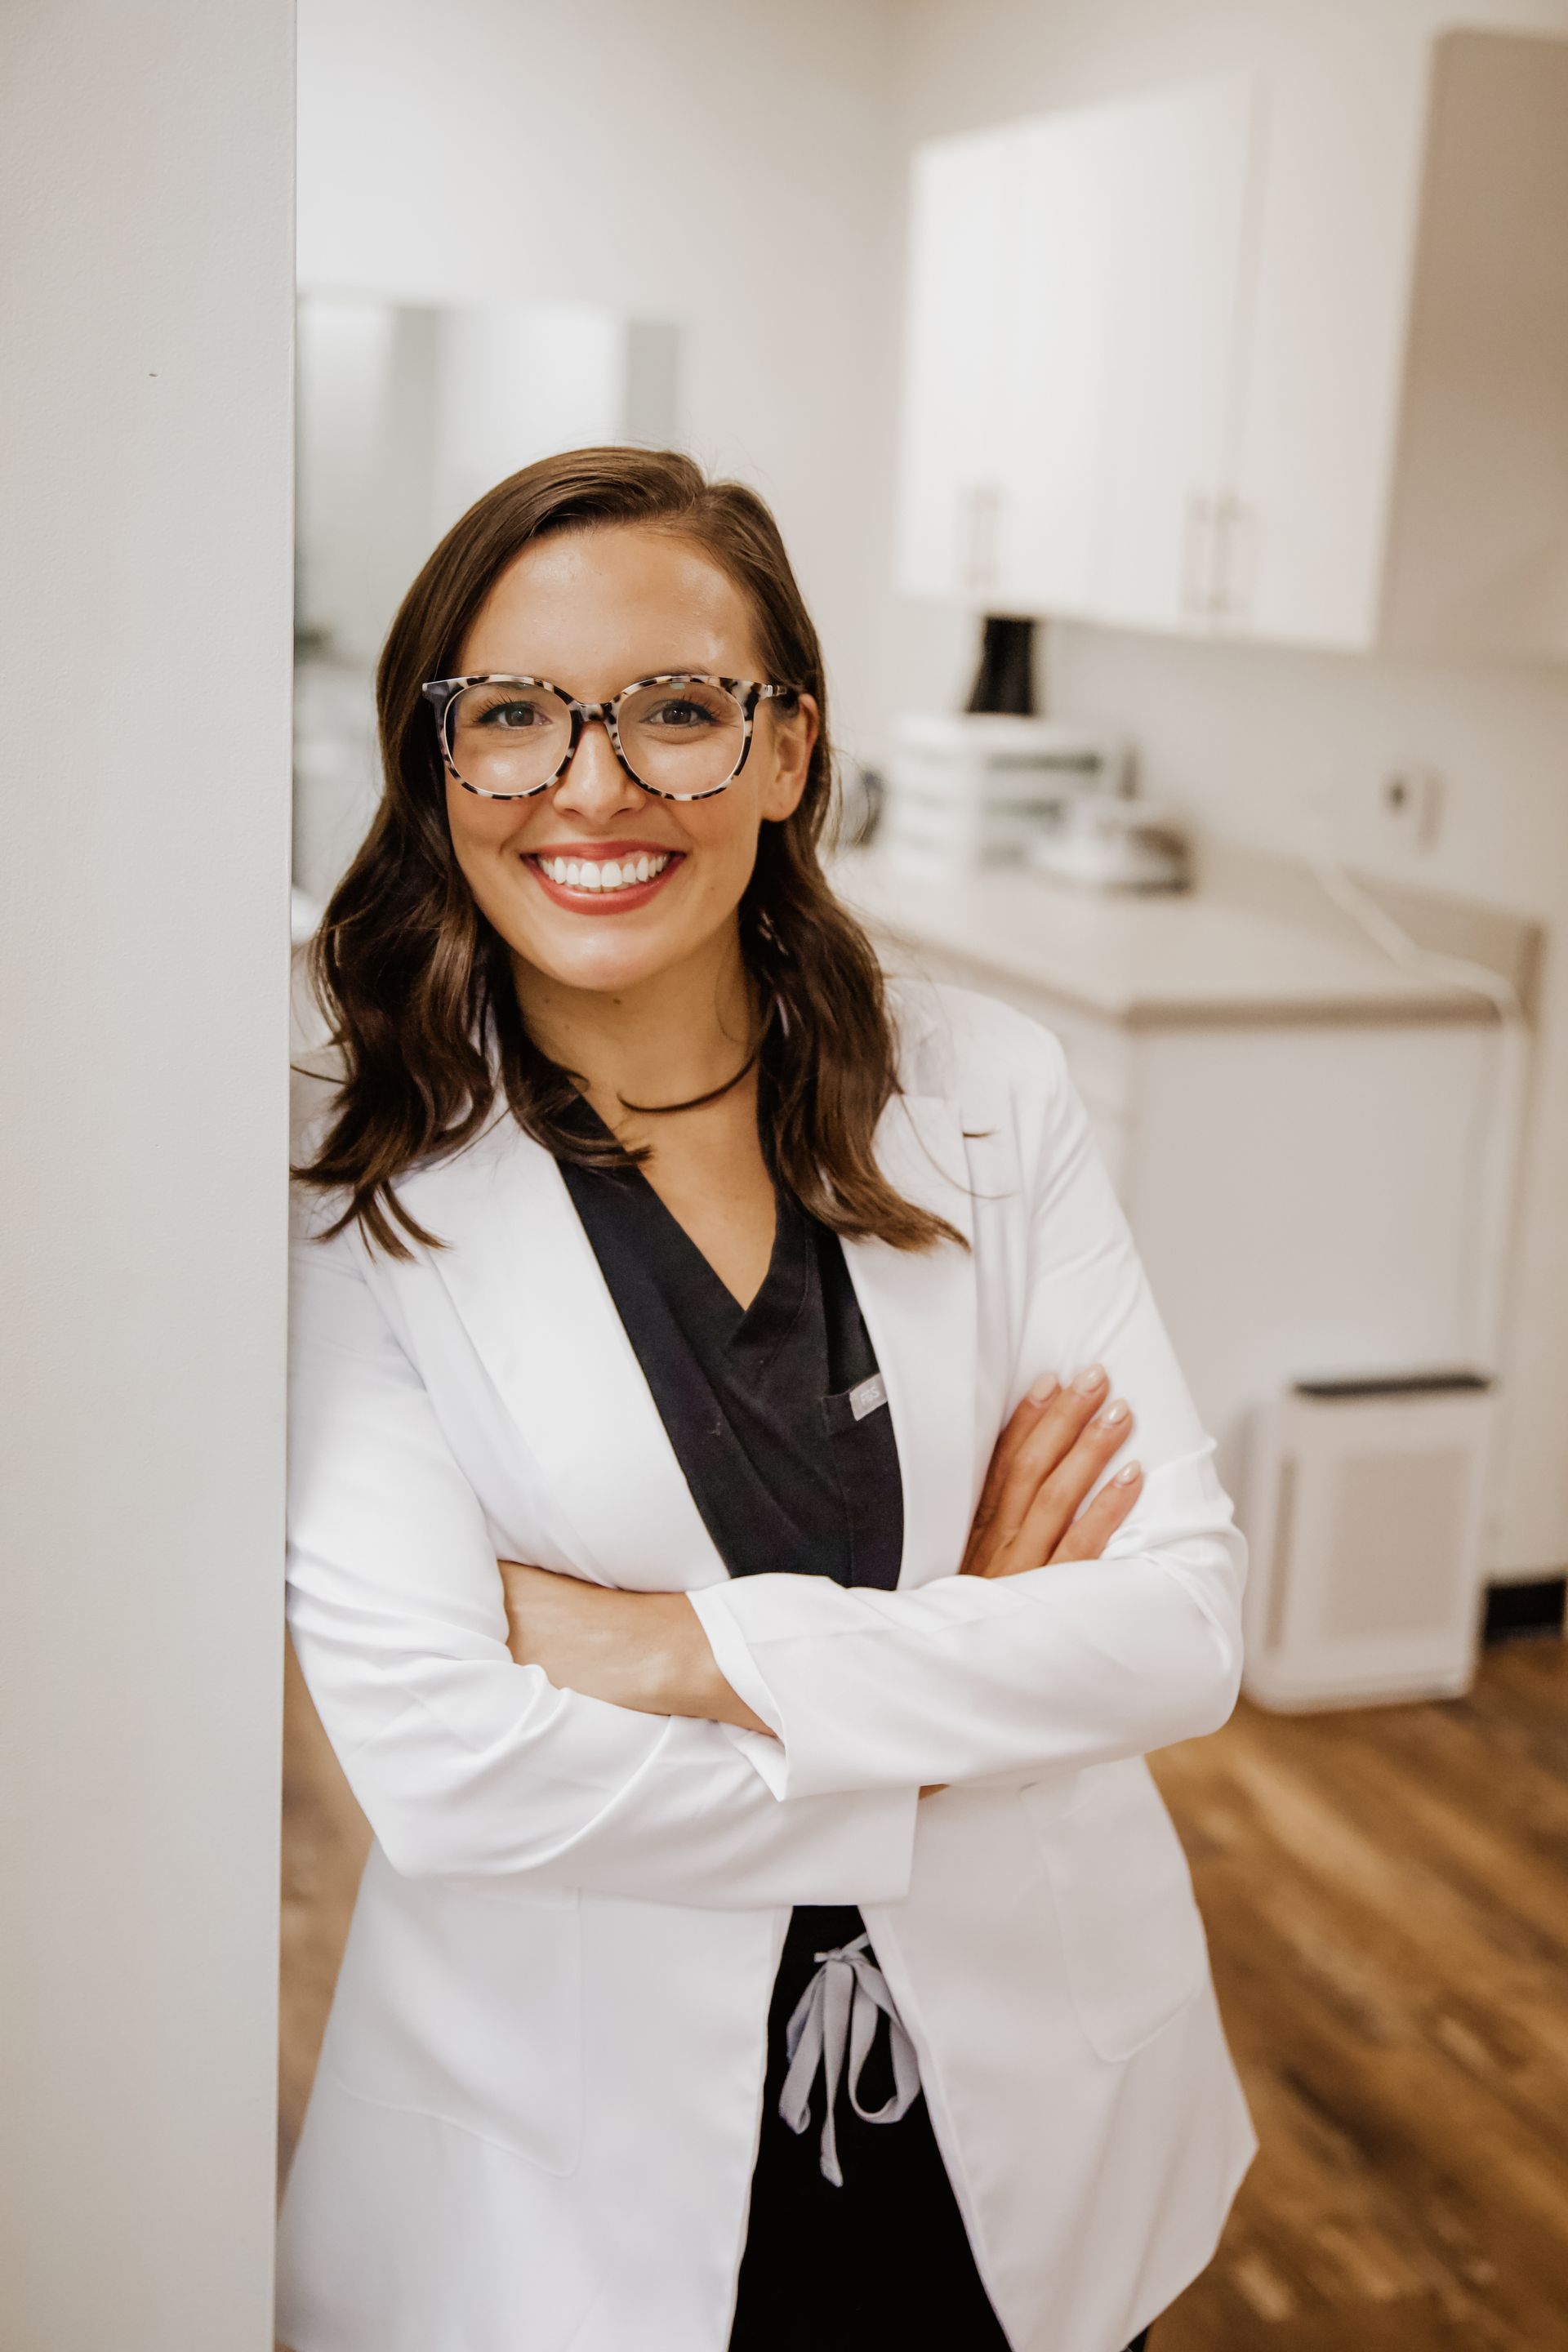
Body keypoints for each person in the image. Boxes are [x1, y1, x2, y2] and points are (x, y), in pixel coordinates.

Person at [277, 447, 1255, 2352]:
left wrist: (677, 1652)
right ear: (439, 756)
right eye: (514, 718)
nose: (593, 786)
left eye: (675, 711)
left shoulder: (989, 1091)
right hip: (574, 2180)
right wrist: (957, 1702)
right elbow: (447, 1770)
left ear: (788, 747)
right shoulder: (348, 1168)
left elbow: (1182, 1626)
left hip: (1033, 2110)